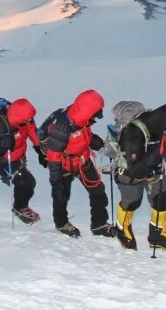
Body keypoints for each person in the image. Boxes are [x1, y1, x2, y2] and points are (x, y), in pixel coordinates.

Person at [107, 102, 166, 251]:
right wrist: (158, 152)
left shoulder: (159, 127)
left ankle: (157, 235)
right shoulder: (133, 132)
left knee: (163, 200)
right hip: (129, 172)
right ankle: (122, 229)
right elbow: (136, 170)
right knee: (132, 202)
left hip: (154, 170)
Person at [41, 89, 115, 238]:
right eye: (96, 113)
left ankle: (99, 224)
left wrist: (102, 146)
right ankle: (62, 224)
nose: (98, 117)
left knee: (98, 190)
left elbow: (86, 137)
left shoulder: (83, 120)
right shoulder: (61, 127)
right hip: (64, 165)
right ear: (88, 111)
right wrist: (56, 181)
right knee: (61, 195)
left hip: (83, 160)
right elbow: (54, 156)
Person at [0, 98, 46, 224]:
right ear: (19, 117)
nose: (29, 121)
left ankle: (21, 207)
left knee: (26, 184)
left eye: (30, 119)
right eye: (26, 120)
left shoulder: (26, 120)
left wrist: (43, 150)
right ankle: (19, 208)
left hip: (20, 157)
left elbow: (33, 134)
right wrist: (3, 146)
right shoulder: (2, 126)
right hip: (7, 161)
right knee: (28, 182)